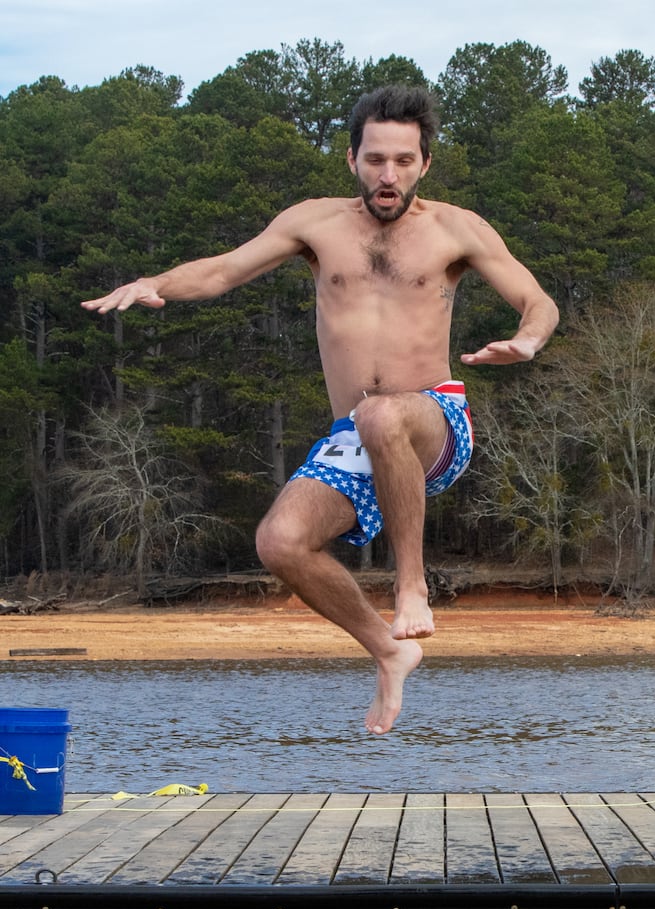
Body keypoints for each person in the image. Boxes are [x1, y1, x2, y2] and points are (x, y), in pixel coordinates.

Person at [82, 85, 559, 735]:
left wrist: (526, 341)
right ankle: (389, 650)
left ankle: (410, 586)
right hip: (356, 430)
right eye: (374, 160)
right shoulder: (314, 224)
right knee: (280, 542)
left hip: (432, 420)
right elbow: (224, 271)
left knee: (384, 415)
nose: (387, 175)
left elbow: (538, 300)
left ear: (425, 164)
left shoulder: (457, 230)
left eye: (402, 161)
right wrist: (154, 283)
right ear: (351, 161)